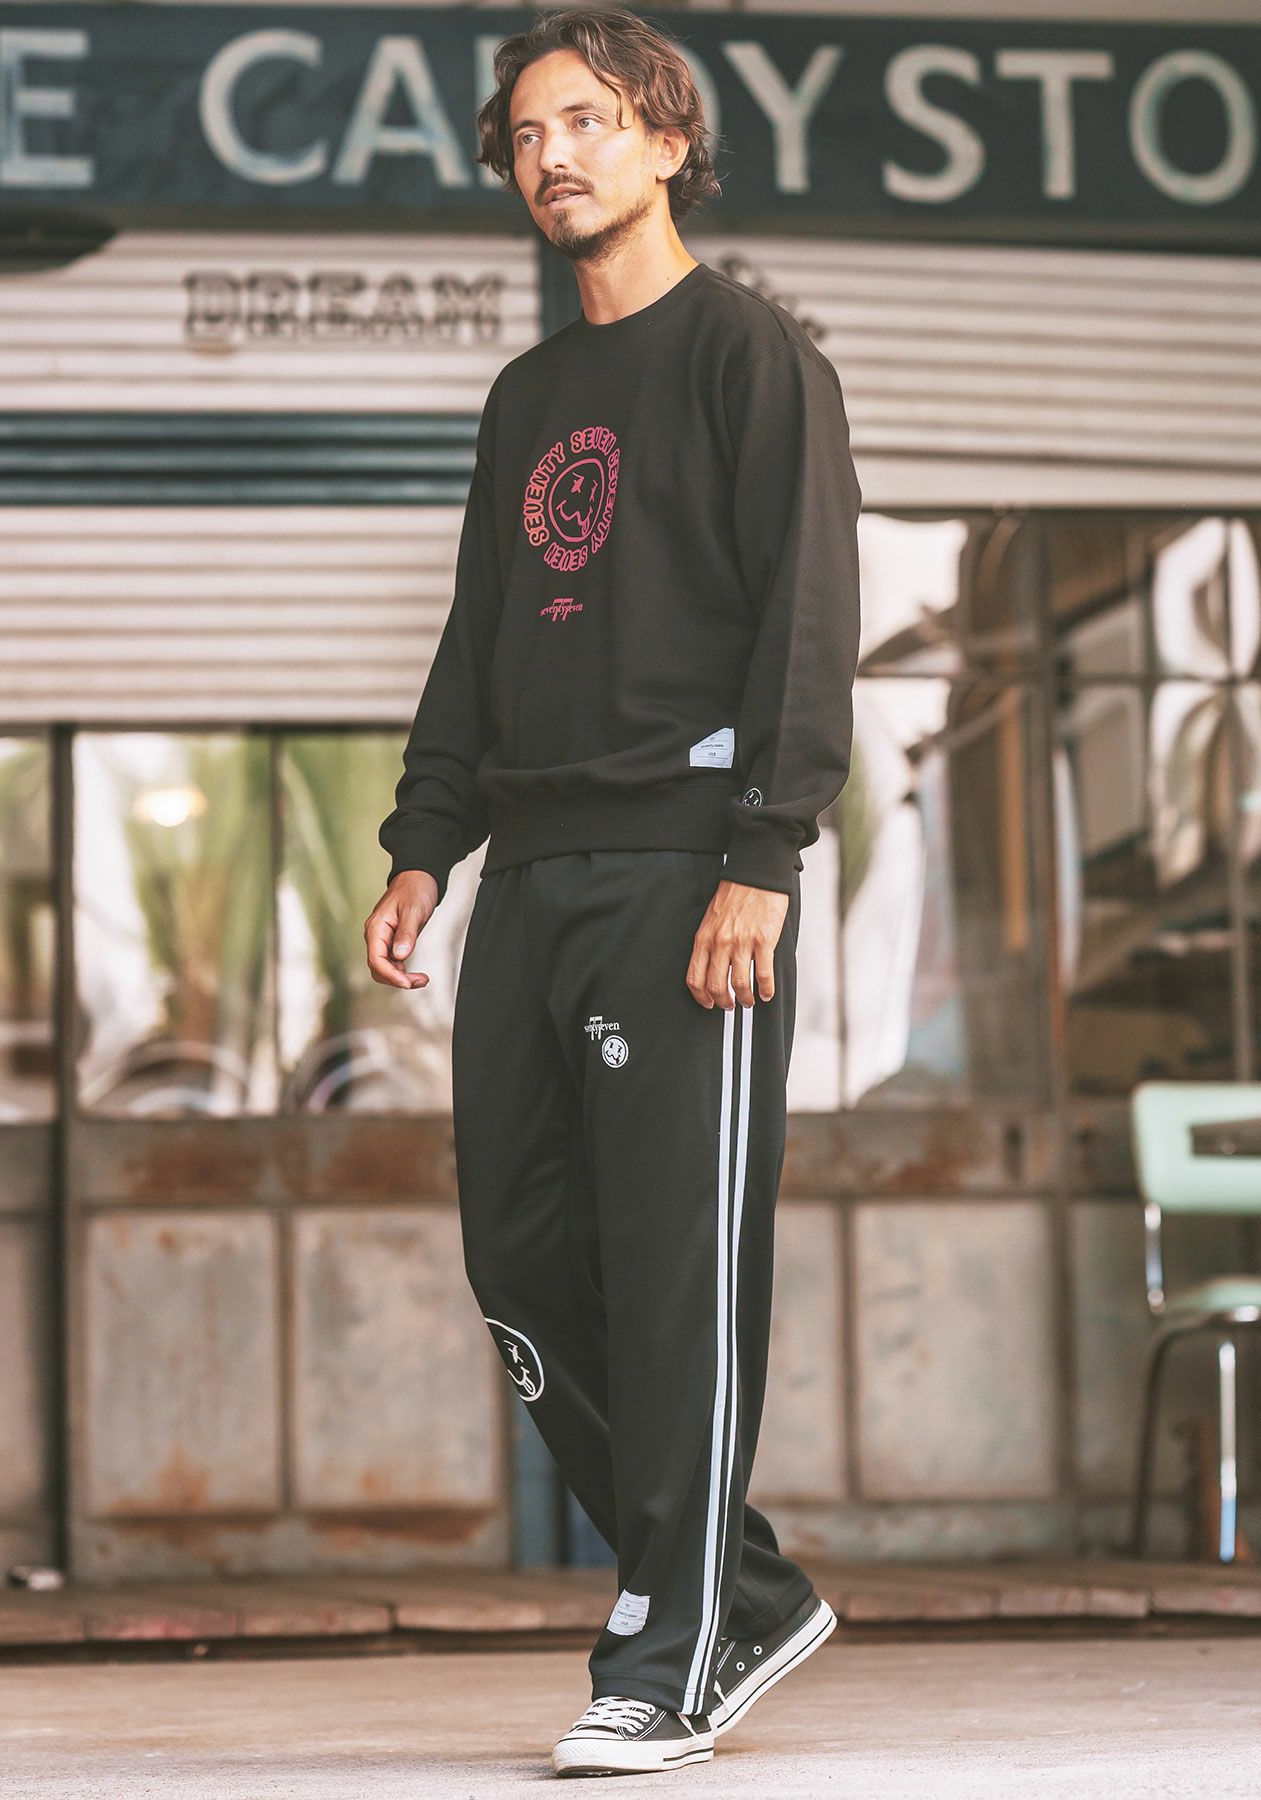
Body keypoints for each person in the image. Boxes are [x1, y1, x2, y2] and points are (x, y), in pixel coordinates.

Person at [365, 7, 861, 1778]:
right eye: (523, 135)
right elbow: (480, 640)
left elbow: (808, 620)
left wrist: (763, 860)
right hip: (535, 877)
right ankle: (744, 1585)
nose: (549, 155)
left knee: (674, 1279)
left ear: (665, 140)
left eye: (583, 120)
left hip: (687, 873)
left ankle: (671, 1648)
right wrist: (425, 841)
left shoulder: (750, 357)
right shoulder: (527, 399)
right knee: (519, 1262)